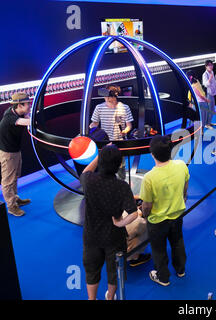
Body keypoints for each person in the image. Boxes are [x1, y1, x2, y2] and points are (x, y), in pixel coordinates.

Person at [81, 144, 139, 300]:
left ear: (101, 162)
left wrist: (100, 155)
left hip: (91, 236)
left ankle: (91, 299)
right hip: (114, 237)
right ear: (119, 164)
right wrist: (120, 223)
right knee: (114, 272)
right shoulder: (122, 187)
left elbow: (86, 171)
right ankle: (110, 297)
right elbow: (133, 213)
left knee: (92, 271)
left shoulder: (89, 181)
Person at [140, 135, 189, 286]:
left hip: (157, 222)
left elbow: (146, 206)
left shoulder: (149, 178)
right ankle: (180, 270)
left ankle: (163, 277)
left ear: (152, 154)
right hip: (177, 215)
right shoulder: (181, 165)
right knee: (178, 242)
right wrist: (182, 198)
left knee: (159, 249)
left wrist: (144, 215)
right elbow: (185, 187)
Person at [90, 85, 133, 180]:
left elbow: (129, 125)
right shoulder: (99, 108)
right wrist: (90, 131)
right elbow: (94, 124)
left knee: (121, 166)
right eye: (105, 96)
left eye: (109, 96)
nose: (106, 98)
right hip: (105, 143)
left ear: (115, 95)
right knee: (105, 167)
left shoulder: (125, 108)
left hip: (120, 143)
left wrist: (125, 131)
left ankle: (122, 183)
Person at [0, 92, 32, 217]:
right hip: (8, 152)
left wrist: (29, 112)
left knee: (15, 176)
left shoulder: (16, 111)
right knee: (8, 180)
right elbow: (27, 122)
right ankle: (11, 207)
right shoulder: (10, 117)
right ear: (19, 105)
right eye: (27, 104)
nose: (29, 106)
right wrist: (33, 117)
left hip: (14, 149)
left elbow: (27, 117)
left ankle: (15, 198)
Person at [202, 60, 216, 129]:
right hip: (208, 94)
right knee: (209, 109)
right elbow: (205, 84)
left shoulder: (212, 72)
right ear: (206, 66)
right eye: (209, 65)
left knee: (212, 109)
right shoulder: (205, 74)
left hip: (213, 93)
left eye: (212, 65)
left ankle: (209, 122)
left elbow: (214, 83)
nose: (211, 66)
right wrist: (210, 79)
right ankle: (206, 124)